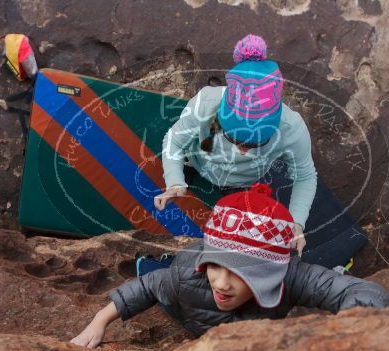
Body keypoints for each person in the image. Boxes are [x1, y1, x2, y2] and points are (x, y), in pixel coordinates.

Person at [71, 183, 389, 348]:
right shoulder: (187, 276)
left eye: (240, 273)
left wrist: (349, 335)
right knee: (158, 276)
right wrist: (100, 321)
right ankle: (158, 261)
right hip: (184, 296)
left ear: (269, 272)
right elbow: (149, 288)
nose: (222, 283)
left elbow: (364, 291)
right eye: (217, 266)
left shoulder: (288, 275)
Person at [153, 34, 367, 269]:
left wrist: (296, 223)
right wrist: (175, 182)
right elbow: (173, 141)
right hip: (200, 162)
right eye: (234, 139)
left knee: (279, 248)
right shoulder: (205, 103)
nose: (243, 151)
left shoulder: (291, 127)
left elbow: (305, 176)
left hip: (255, 179)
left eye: (254, 144)